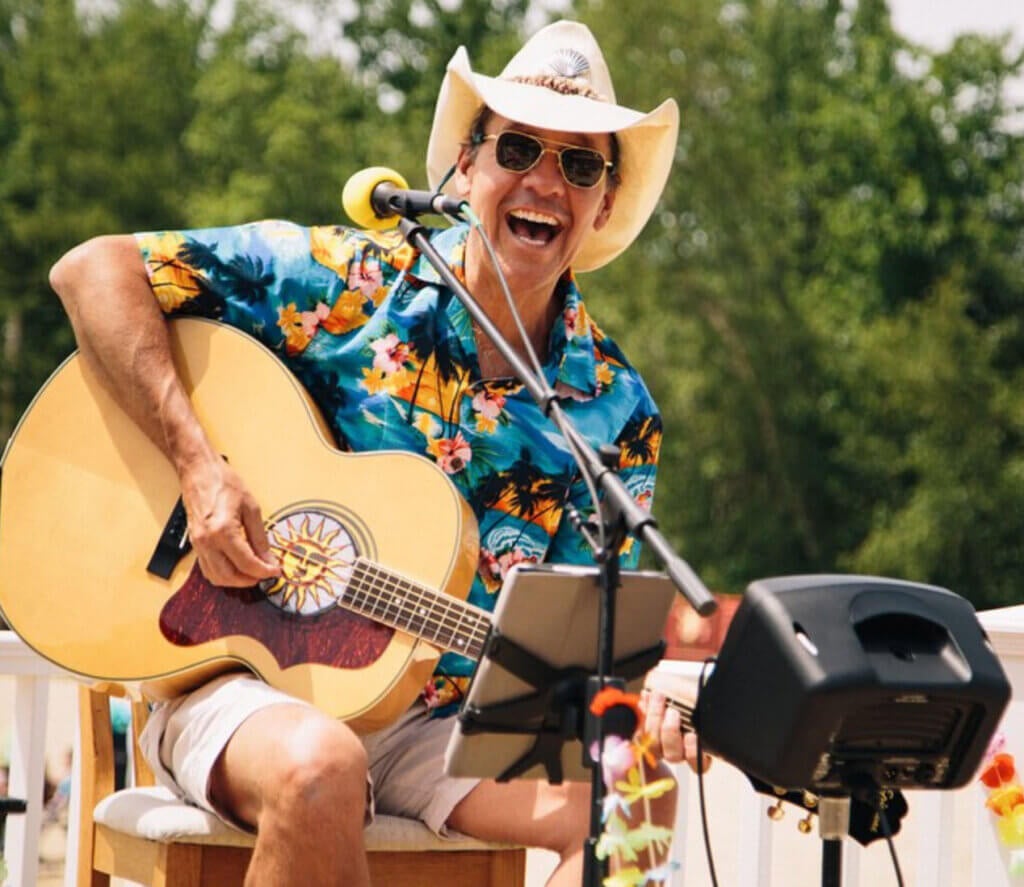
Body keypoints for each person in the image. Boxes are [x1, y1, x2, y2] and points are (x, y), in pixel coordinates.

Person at [49, 19, 701, 886]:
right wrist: (201, 468)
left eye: (580, 165)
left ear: (605, 201)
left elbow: (575, 650)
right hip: (244, 687)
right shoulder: (348, 285)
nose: (547, 181)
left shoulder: (616, 410)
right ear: (467, 165)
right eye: (519, 147)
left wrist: (638, 706)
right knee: (322, 764)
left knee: (637, 792)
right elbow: (91, 272)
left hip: (440, 726)